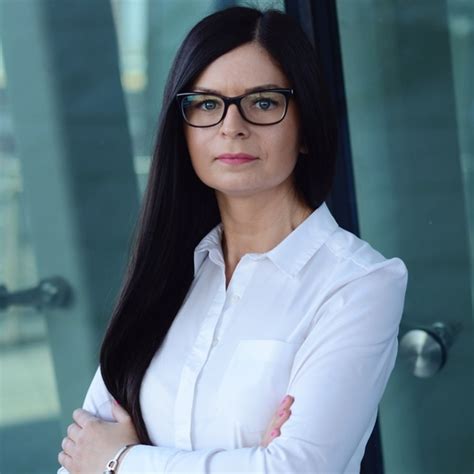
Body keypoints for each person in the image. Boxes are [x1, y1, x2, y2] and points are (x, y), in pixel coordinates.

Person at [57, 6, 408, 474]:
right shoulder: (165, 271)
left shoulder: (358, 284)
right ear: (181, 131)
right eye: (206, 104)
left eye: (263, 102)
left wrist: (122, 460)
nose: (231, 126)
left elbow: (294, 470)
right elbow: (78, 459)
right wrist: (247, 461)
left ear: (306, 127)